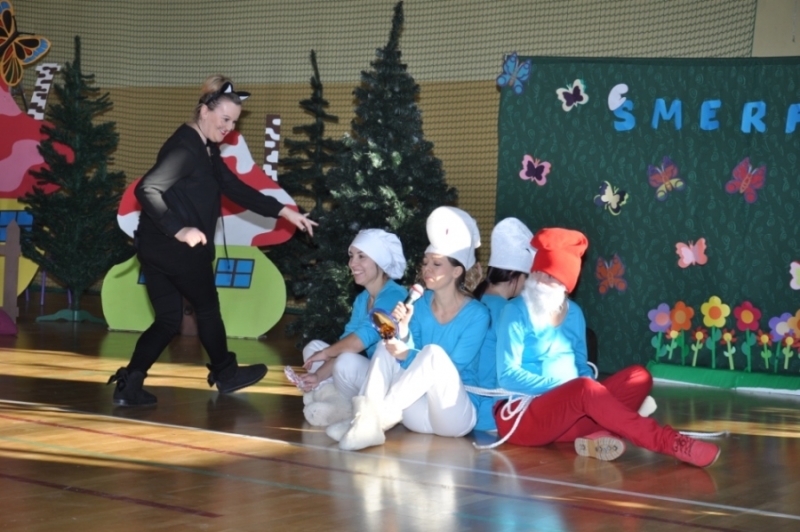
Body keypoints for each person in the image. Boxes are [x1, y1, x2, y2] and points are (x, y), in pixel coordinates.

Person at [108, 75, 316, 406]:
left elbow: (232, 186)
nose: (229, 129)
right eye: (225, 119)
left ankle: (129, 385)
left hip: (154, 246)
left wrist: (283, 211)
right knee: (206, 309)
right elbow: (148, 188)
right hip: (178, 248)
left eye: (234, 122)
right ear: (204, 111)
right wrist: (181, 229)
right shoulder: (185, 148)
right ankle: (225, 373)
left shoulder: (205, 146)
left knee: (167, 319)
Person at [492, 228, 720, 467]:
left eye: (549, 276)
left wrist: (591, 391)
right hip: (524, 420)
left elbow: (581, 366)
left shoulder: (574, 314)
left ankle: (599, 434)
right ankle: (669, 442)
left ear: (565, 283)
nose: (539, 281)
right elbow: (507, 376)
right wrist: (570, 387)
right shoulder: (514, 311)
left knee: (639, 376)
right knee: (585, 389)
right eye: (536, 273)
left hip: (569, 421)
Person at [328, 206, 490, 451]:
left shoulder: (477, 314)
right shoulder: (420, 303)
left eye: (436, 264)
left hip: (454, 414)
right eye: (425, 263)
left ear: (457, 271)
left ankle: (371, 422)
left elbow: (449, 366)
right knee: (385, 347)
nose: (427, 269)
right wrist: (402, 332)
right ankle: (363, 420)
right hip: (417, 412)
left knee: (434, 353)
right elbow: (411, 356)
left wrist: (405, 352)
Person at [299, 229, 408, 426]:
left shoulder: (394, 295)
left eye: (361, 256)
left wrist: (326, 354)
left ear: (380, 262)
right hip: (371, 373)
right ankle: (332, 397)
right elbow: (347, 341)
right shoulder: (363, 299)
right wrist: (317, 375)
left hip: (394, 382)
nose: (352, 263)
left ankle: (351, 408)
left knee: (344, 361)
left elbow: (359, 341)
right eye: (351, 256)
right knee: (313, 348)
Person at [471, 217, 536, 432]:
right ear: (515, 276)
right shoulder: (508, 311)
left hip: (467, 408)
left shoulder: (474, 300)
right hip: (494, 415)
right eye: (526, 278)